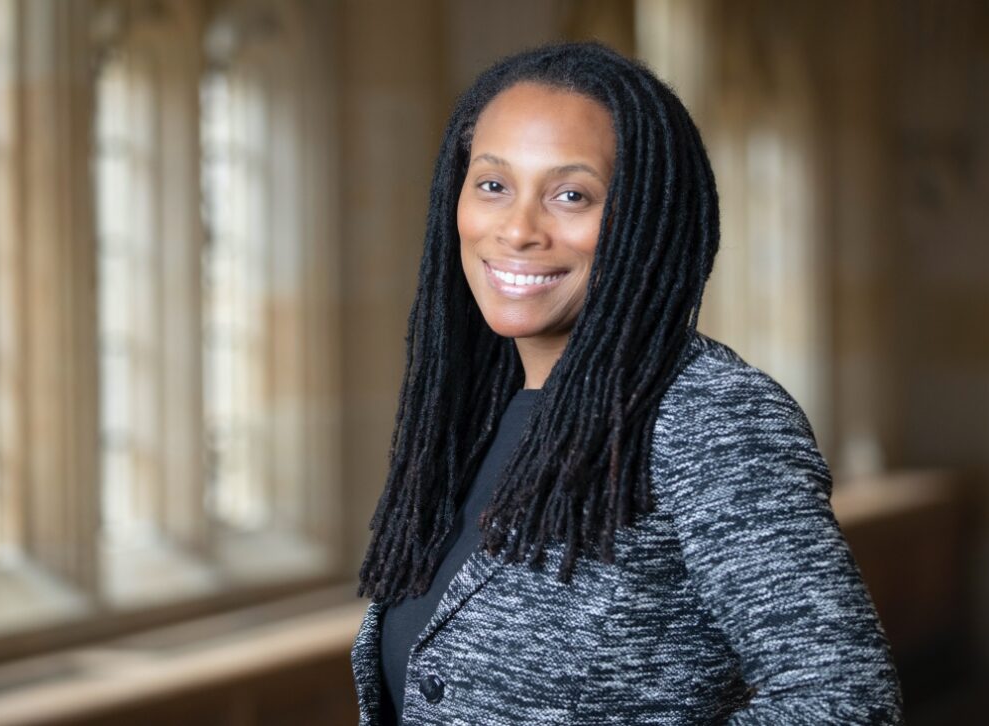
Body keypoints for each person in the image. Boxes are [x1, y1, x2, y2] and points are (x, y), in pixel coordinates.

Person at [351, 41, 904, 725]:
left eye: (571, 195)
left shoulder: (711, 413)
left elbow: (842, 701)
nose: (518, 229)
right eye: (493, 184)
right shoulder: (470, 415)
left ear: (644, 221)